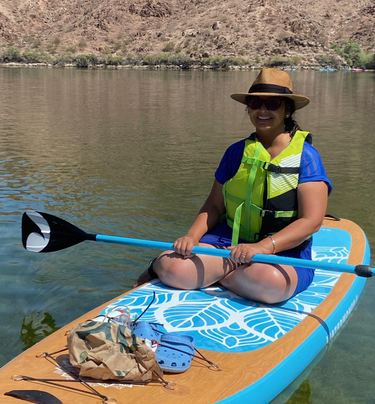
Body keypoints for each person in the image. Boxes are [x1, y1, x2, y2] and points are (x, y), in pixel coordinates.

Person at [136, 68, 331, 304]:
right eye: (255, 102)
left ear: (287, 109)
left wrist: (263, 247)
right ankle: (231, 275)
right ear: (248, 107)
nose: (262, 110)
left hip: (282, 250)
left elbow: (312, 221)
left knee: (271, 283)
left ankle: (217, 276)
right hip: (228, 244)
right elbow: (214, 205)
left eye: (273, 104)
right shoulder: (235, 152)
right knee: (172, 267)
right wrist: (192, 237)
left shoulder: (307, 157)